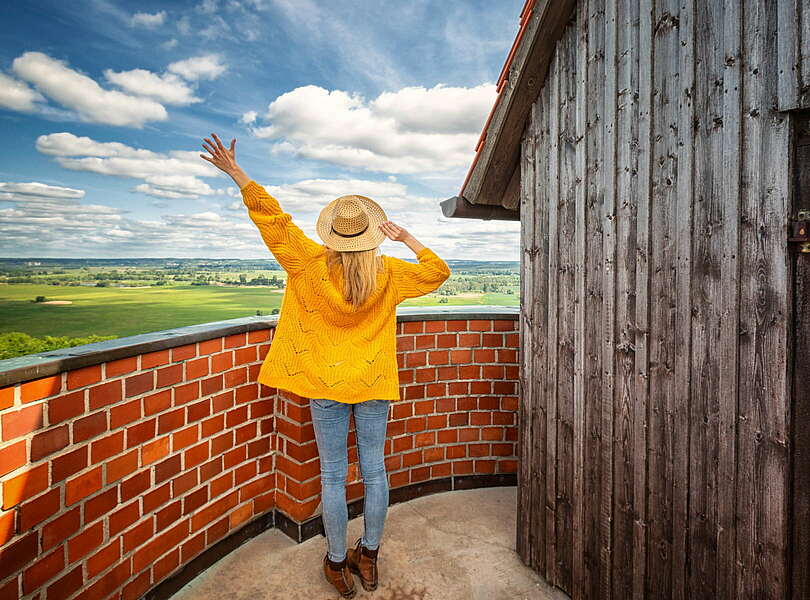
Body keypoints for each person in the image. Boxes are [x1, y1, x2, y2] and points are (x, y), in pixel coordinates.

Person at [200, 133, 451, 598]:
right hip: (375, 385)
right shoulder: (390, 272)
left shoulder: (308, 264)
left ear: (332, 235)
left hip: (325, 387)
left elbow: (274, 223)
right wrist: (407, 238)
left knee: (333, 475)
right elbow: (438, 272)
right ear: (373, 235)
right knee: (375, 473)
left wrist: (238, 174)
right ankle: (369, 556)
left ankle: (337, 563)